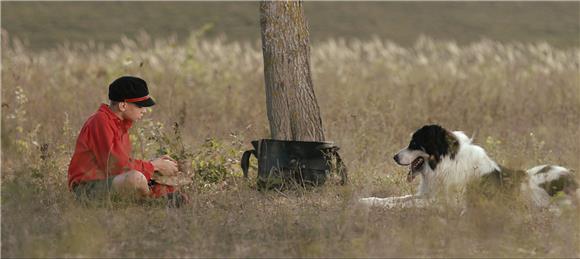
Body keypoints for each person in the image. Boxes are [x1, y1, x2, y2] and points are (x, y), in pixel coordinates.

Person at [68, 76, 186, 206]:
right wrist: (154, 166)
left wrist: (156, 166)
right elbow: (115, 166)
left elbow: (122, 165)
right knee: (136, 178)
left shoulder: (121, 124)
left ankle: (162, 197)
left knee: (169, 173)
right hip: (87, 189)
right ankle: (153, 203)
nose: (145, 110)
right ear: (123, 105)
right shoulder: (100, 121)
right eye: (141, 106)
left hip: (109, 181)